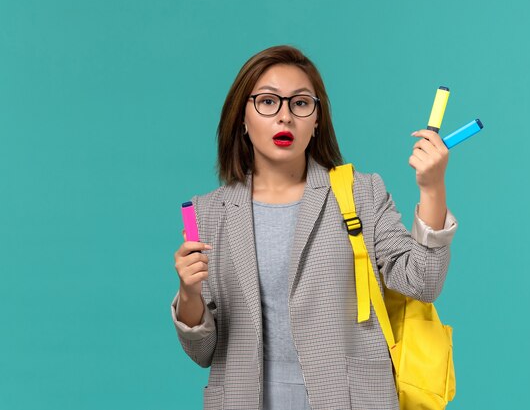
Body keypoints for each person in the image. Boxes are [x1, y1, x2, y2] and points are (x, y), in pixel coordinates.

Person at [171, 45, 458, 410]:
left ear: (317, 118)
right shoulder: (207, 212)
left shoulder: (360, 193)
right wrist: (189, 292)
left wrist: (432, 187)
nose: (284, 117)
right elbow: (203, 351)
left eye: (300, 103)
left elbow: (423, 282)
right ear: (242, 117)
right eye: (267, 102)